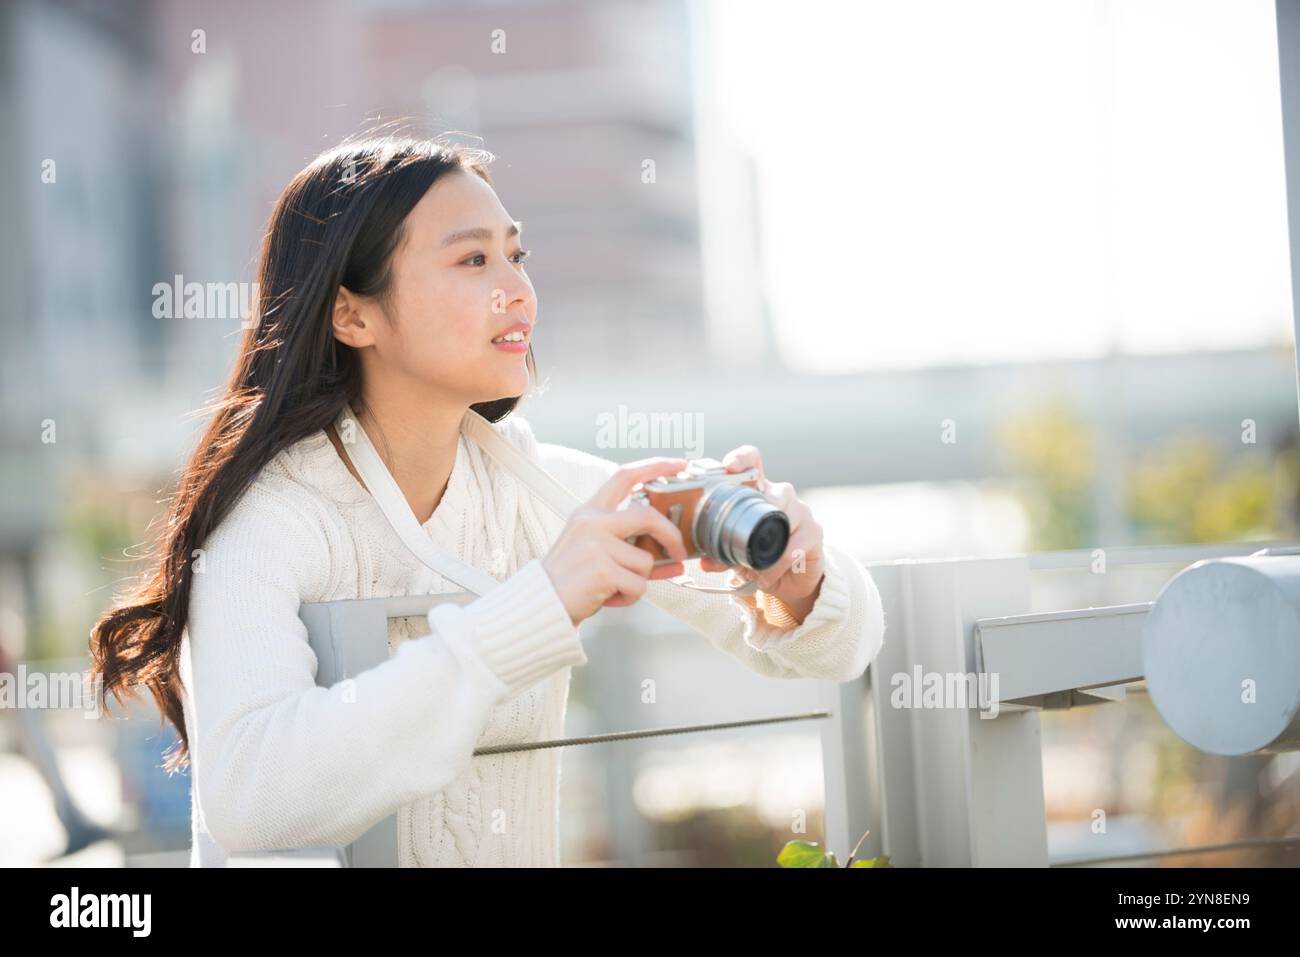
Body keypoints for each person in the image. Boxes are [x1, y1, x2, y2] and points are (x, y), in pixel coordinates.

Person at [88, 132, 886, 867]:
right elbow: (251, 798)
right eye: (473, 260)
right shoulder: (271, 516)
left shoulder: (538, 487)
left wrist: (796, 582)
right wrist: (537, 608)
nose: (518, 291)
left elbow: (835, 651)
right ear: (352, 314)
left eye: (516, 253)